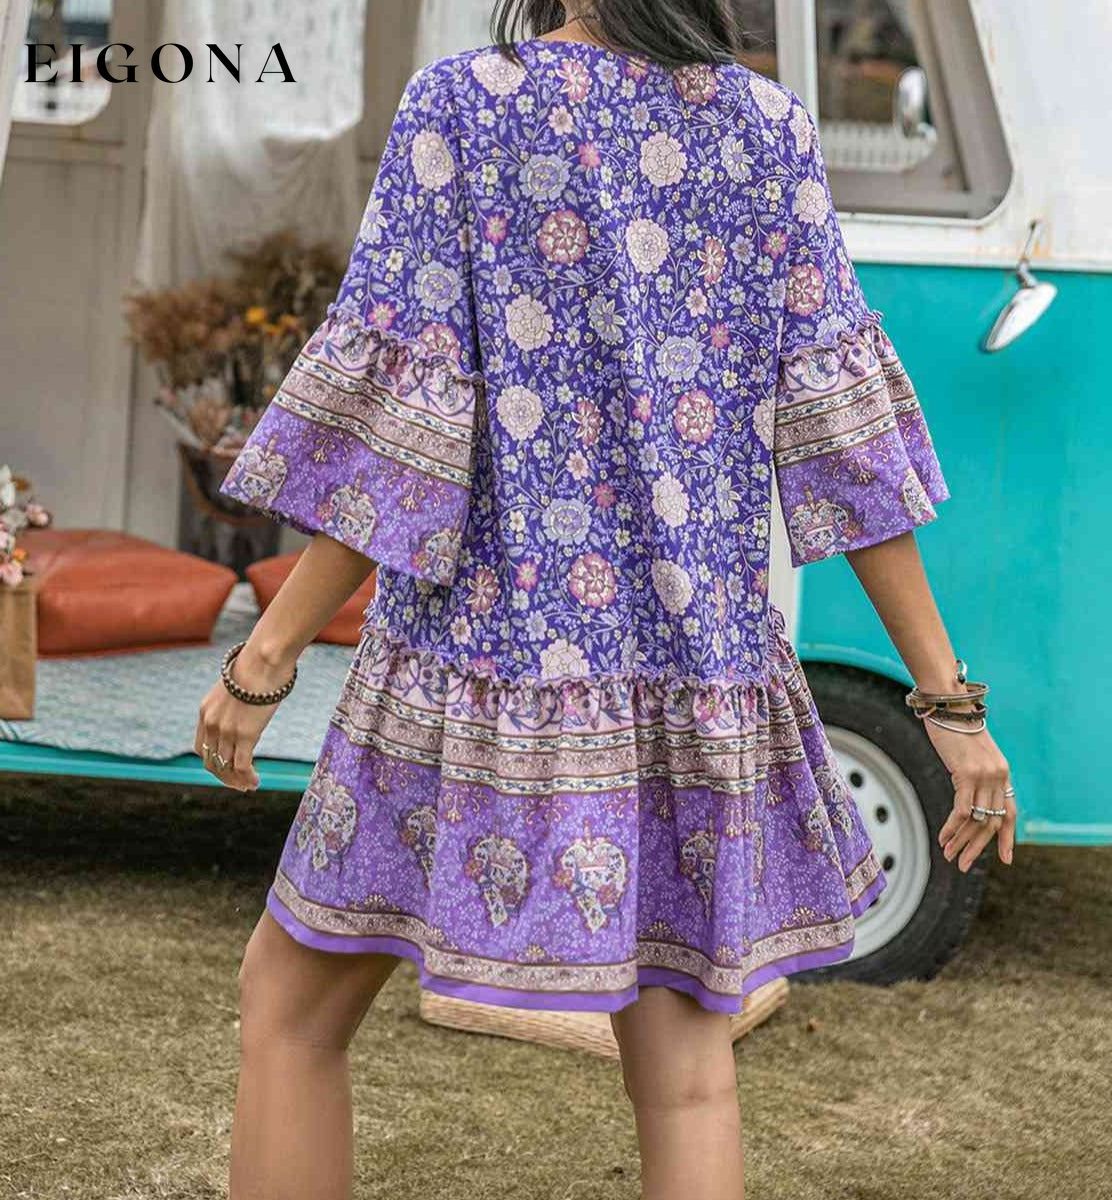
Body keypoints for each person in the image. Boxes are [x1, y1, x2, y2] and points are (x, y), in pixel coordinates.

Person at [197, 3, 1016, 1196]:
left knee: (287, 1010)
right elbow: (841, 436)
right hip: (696, 679)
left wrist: (261, 658)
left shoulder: (464, 105)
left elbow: (403, 429)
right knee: (686, 1077)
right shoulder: (769, 129)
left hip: (478, 667)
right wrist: (947, 705)